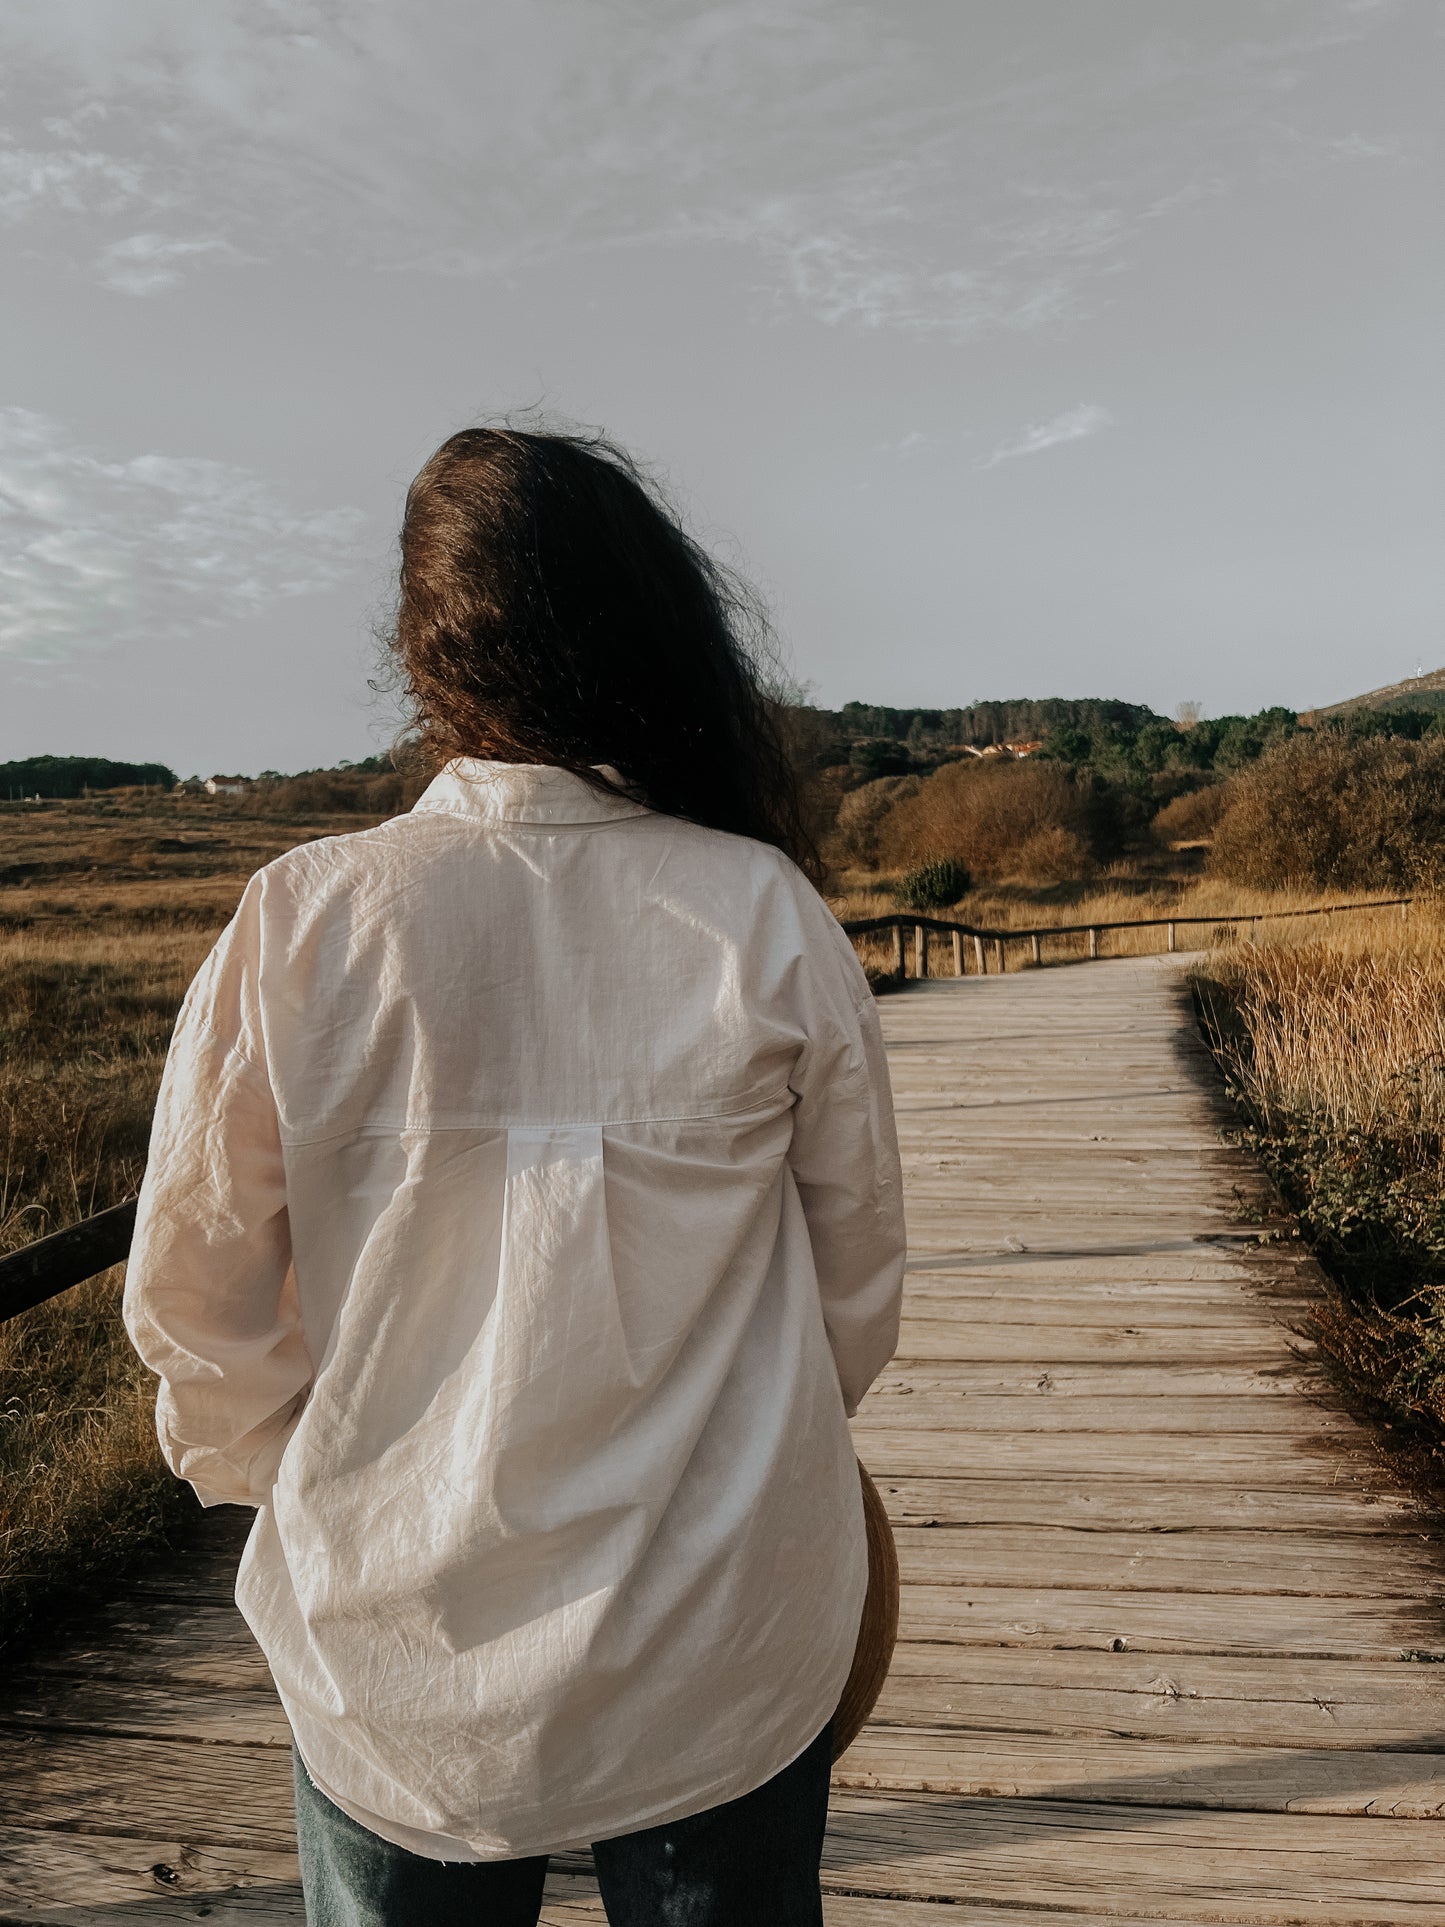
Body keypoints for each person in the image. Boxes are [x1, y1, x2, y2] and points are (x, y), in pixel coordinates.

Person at [123, 427, 907, 1926]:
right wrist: (742, 1453)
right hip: (719, 1620)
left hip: (394, 1643)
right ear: (651, 630)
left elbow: (192, 1302)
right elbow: (853, 1286)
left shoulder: (308, 921)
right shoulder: (761, 910)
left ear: (423, 656)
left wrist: (311, 1486)